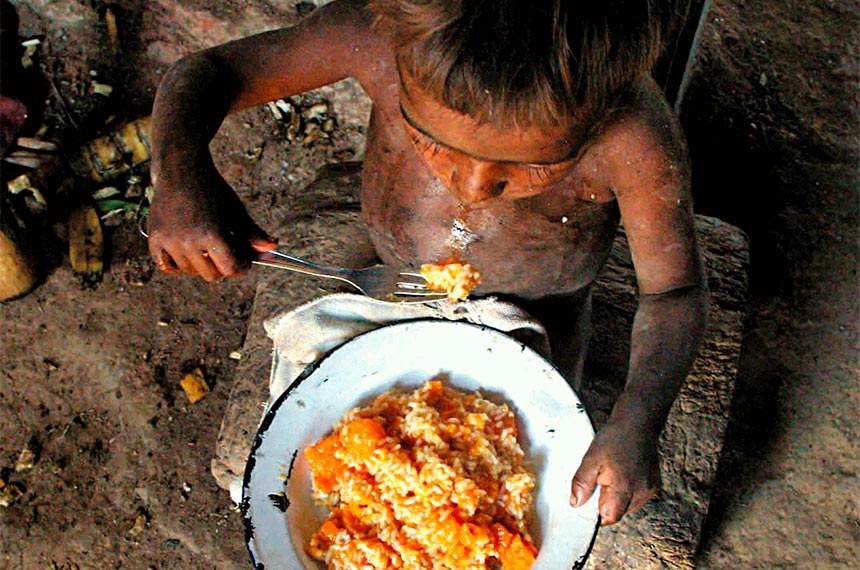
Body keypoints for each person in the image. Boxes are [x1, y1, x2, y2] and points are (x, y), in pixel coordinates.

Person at [148, 0, 707, 527]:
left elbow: (674, 294)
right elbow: (210, 71)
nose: (473, 188)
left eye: (534, 167)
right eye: (434, 144)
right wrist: (178, 172)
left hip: (544, 321)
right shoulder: (380, 38)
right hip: (388, 285)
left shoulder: (634, 140)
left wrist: (639, 418)